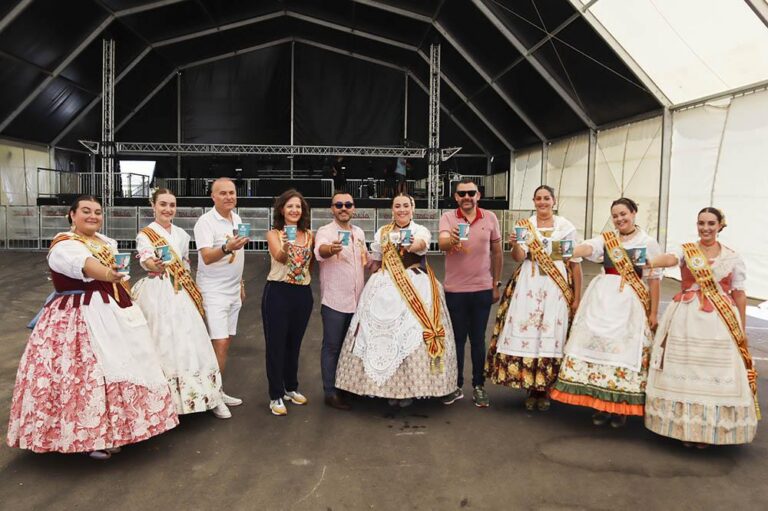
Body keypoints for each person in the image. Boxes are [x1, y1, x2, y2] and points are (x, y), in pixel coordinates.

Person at [6, 195, 178, 460]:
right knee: (85, 375)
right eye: (86, 211)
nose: (93, 216)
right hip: (77, 316)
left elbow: (118, 275)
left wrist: (144, 270)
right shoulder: (65, 245)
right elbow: (88, 267)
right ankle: (87, 437)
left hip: (111, 311)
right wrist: (109, 274)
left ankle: (116, 430)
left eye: (98, 212)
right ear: (71, 215)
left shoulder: (106, 242)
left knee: (120, 367)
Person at [644, 207, 759, 446]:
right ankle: (684, 428)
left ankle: (709, 431)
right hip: (687, 316)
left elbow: (739, 294)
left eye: (710, 223)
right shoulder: (686, 250)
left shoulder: (732, 257)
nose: (705, 228)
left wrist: (742, 331)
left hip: (720, 321)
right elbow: (671, 259)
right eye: (701, 223)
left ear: (719, 226)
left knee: (714, 372)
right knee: (685, 371)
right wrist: (652, 261)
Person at [335, 194, 458, 406]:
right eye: (397, 206)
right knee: (379, 335)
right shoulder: (383, 232)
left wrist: (410, 244)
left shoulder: (420, 230)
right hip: (384, 285)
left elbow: (421, 244)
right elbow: (376, 260)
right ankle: (385, 390)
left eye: (405, 206)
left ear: (412, 208)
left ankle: (411, 389)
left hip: (415, 283)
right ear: (392, 209)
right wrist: (367, 264)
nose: (401, 209)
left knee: (410, 335)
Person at [550, 197, 661, 428]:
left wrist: (653, 312)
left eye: (624, 214)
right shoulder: (607, 239)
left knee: (623, 352)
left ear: (634, 212)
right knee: (599, 346)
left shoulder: (647, 242)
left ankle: (619, 407)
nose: (620, 219)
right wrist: (565, 249)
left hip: (631, 302)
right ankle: (600, 404)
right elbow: (589, 248)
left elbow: (655, 279)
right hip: (604, 299)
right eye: (616, 215)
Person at [133, 188, 230, 419]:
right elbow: (146, 258)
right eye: (163, 204)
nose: (168, 209)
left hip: (181, 291)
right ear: (153, 206)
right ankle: (165, 404)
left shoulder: (182, 235)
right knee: (163, 342)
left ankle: (209, 396)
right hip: (157, 291)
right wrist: (152, 264)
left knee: (193, 342)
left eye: (172, 205)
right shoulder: (145, 234)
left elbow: (185, 265)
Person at [485, 185, 583, 411]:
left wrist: (577, 297)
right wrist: (515, 245)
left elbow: (574, 265)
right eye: (538, 199)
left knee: (551, 333)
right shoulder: (524, 225)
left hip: (556, 286)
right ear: (533, 201)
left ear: (554, 201)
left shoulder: (565, 227)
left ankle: (545, 388)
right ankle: (531, 387)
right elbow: (519, 257)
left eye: (546, 198)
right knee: (530, 331)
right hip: (529, 283)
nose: (542, 202)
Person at [438, 178, 503, 408]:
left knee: (477, 340)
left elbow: (497, 252)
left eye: (471, 193)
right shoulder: (448, 218)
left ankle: (478, 385)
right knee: (456, 340)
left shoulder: (490, 218)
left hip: (482, 289)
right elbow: (442, 244)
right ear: (455, 197)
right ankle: (455, 385)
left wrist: (496, 282)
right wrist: (451, 239)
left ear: (478, 195)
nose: (466, 197)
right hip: (455, 290)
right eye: (462, 193)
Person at [194, 177, 249, 409]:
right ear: (213, 197)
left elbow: (239, 257)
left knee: (226, 341)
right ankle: (213, 396)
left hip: (233, 291)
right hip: (213, 291)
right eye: (223, 193)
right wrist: (227, 247)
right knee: (220, 343)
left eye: (232, 192)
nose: (229, 197)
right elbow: (207, 257)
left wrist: (241, 284)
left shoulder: (236, 218)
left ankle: (217, 390)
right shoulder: (205, 222)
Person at [314, 191, 370, 410]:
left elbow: (366, 259)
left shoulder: (359, 232)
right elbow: (320, 250)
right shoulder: (325, 232)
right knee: (331, 346)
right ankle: (330, 392)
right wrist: (331, 248)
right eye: (339, 205)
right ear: (332, 209)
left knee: (352, 347)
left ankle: (347, 387)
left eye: (348, 204)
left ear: (354, 208)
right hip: (335, 301)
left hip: (358, 301)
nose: (343, 208)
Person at [263, 189, 314, 416]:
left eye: (298, 207)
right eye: (290, 206)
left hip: (302, 293)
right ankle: (275, 395)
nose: (294, 210)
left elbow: (309, 266)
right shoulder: (274, 233)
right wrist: (288, 243)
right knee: (276, 345)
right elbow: (281, 258)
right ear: (282, 210)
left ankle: (290, 388)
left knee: (294, 344)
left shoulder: (310, 235)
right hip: (278, 292)